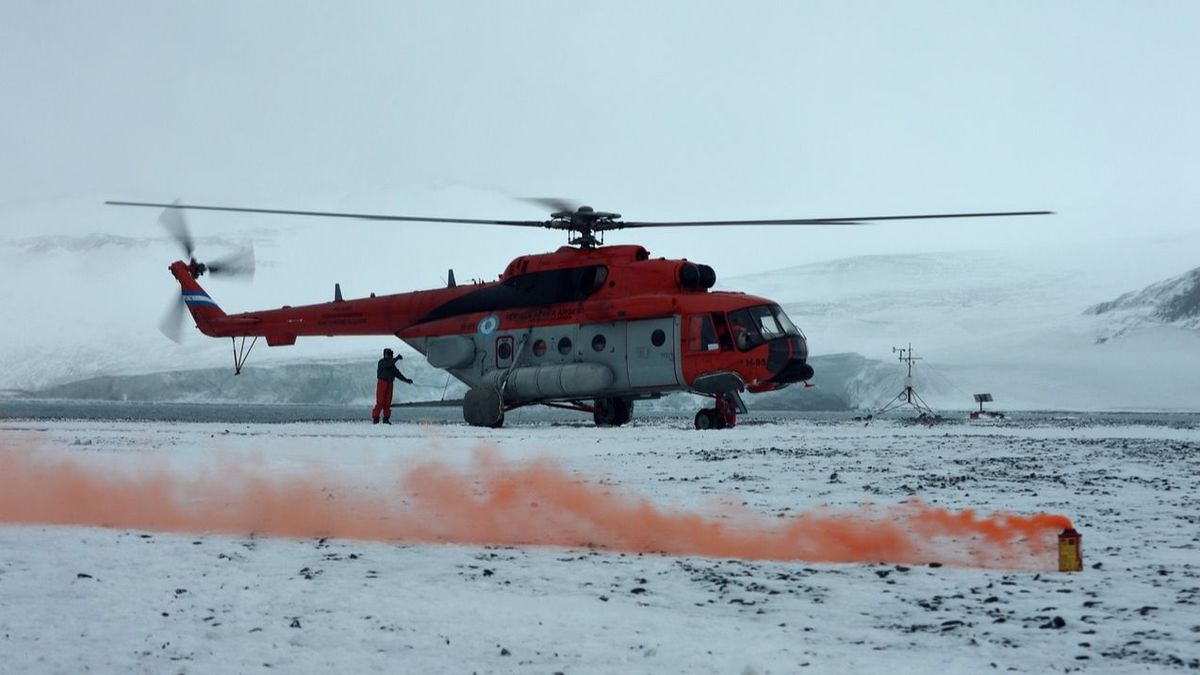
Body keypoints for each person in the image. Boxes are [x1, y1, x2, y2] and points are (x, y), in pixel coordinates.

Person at [372, 347, 413, 424]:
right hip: (382, 383)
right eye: (389, 354)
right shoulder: (381, 362)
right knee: (380, 402)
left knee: (387, 402)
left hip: (389, 384)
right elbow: (388, 364)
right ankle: (376, 418)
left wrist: (406, 380)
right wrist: (396, 358)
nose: (390, 356)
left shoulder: (392, 366)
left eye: (391, 355)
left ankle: (386, 419)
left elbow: (398, 374)